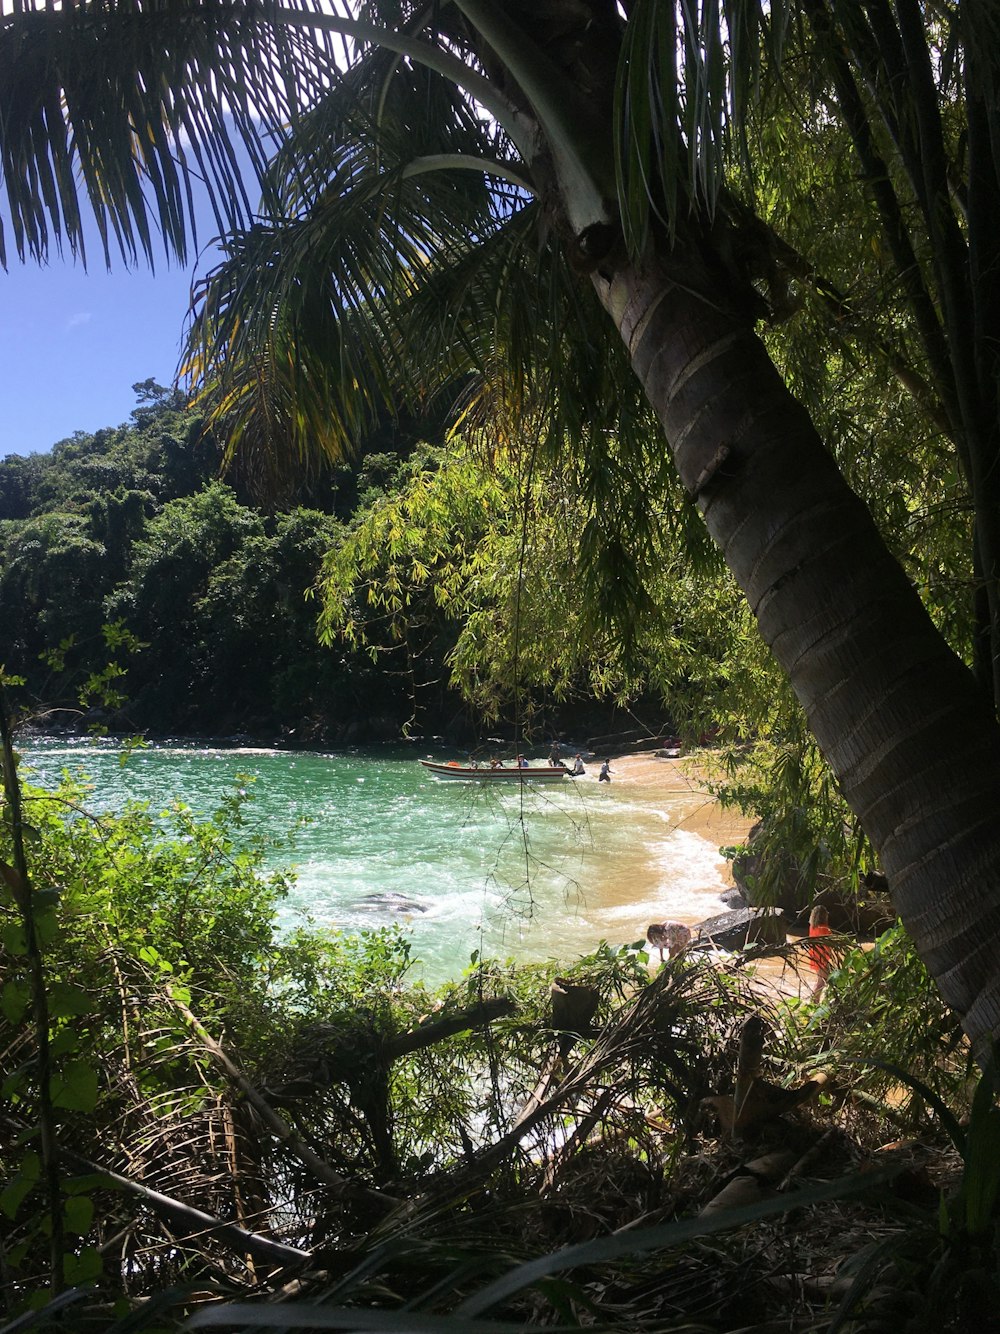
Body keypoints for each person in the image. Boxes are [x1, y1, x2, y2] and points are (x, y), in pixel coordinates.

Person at [807, 904, 834, 1000]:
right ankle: (814, 1000)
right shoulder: (824, 928)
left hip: (815, 956)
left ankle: (817, 1000)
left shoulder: (813, 927)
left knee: (822, 980)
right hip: (822, 957)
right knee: (822, 981)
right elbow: (829, 943)